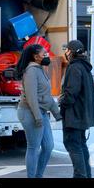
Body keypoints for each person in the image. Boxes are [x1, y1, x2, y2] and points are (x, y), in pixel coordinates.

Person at [16, 44, 62, 178]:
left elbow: (46, 96)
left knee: (48, 147)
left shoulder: (41, 69)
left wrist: (57, 114)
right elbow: (31, 97)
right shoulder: (31, 71)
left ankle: (38, 175)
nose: (47, 55)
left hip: (41, 113)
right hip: (30, 113)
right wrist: (37, 117)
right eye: (44, 54)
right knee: (33, 148)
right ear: (36, 57)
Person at [59, 40, 94, 178]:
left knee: (74, 145)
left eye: (67, 49)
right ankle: (86, 175)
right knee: (81, 145)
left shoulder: (74, 67)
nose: (66, 52)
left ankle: (80, 176)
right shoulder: (84, 67)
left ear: (71, 52)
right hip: (82, 115)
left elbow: (71, 94)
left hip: (74, 116)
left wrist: (62, 104)